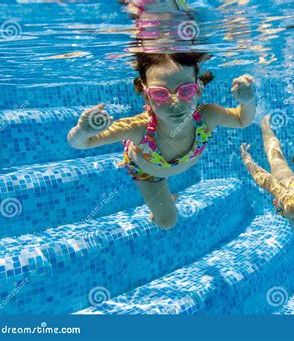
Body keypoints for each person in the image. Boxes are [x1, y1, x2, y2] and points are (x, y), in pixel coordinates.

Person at [68, 52, 255, 229]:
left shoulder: (207, 115)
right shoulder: (138, 128)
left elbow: (242, 119)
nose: (175, 102)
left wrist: (247, 101)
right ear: (147, 96)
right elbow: (80, 143)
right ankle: (161, 202)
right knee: (167, 222)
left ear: (198, 91)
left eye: (186, 91)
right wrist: (82, 131)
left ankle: (166, 195)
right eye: (160, 94)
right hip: (147, 172)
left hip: (171, 164)